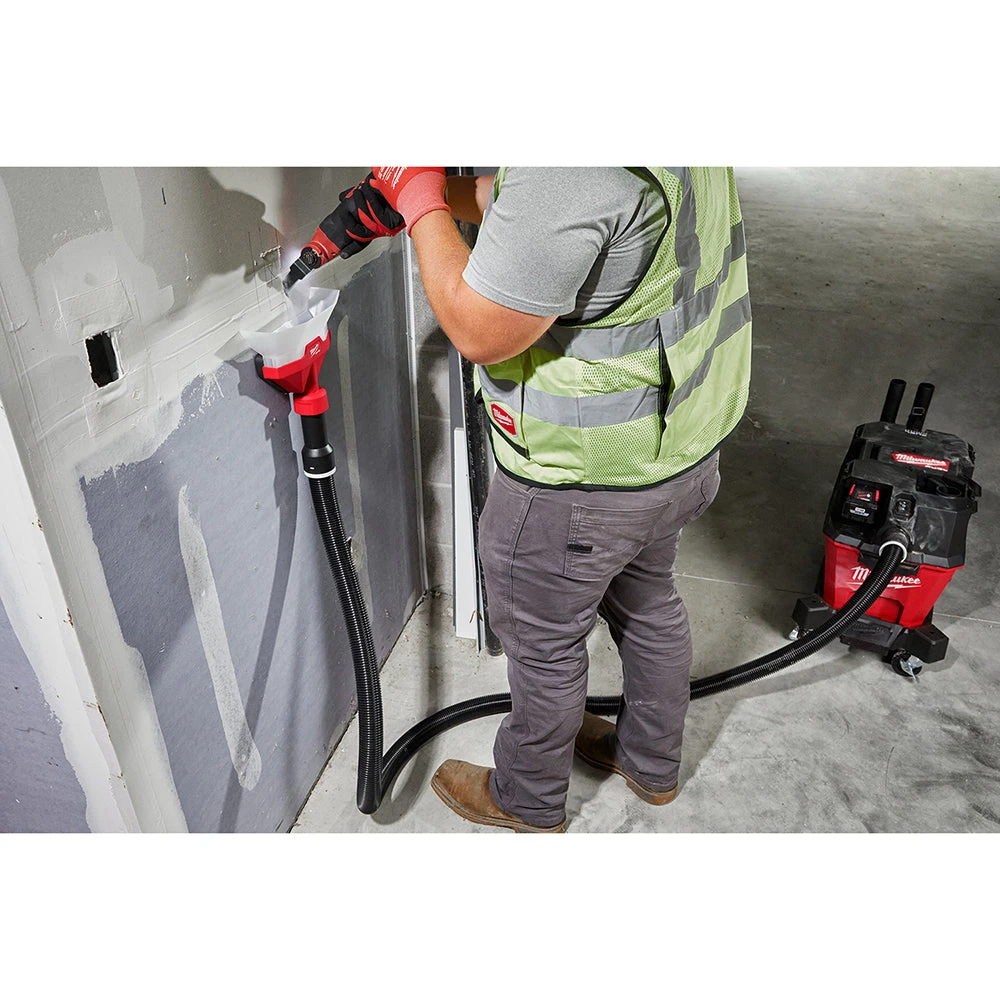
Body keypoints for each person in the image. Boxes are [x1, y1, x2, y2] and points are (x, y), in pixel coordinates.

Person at [327, 167, 752, 832]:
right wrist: (440, 196)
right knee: (648, 603)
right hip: (676, 448)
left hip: (581, 482)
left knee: (545, 645)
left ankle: (525, 798)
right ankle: (650, 761)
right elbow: (565, 220)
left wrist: (418, 199)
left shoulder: (568, 165)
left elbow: (479, 330)